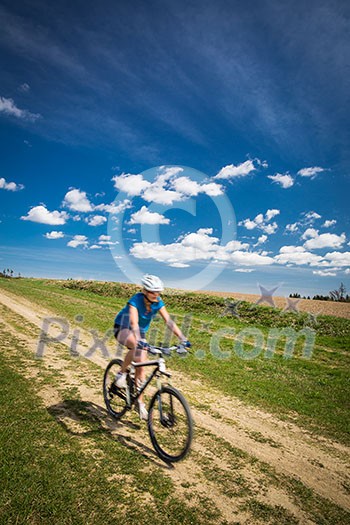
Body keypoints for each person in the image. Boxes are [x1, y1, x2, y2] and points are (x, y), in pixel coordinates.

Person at [113, 274, 191, 420]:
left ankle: (140, 403)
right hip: (123, 327)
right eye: (152, 292)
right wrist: (140, 341)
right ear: (144, 291)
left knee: (141, 365)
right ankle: (121, 373)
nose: (156, 295)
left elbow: (169, 321)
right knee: (138, 347)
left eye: (158, 292)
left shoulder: (158, 302)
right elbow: (134, 323)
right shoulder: (135, 300)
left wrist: (183, 339)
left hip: (139, 332)